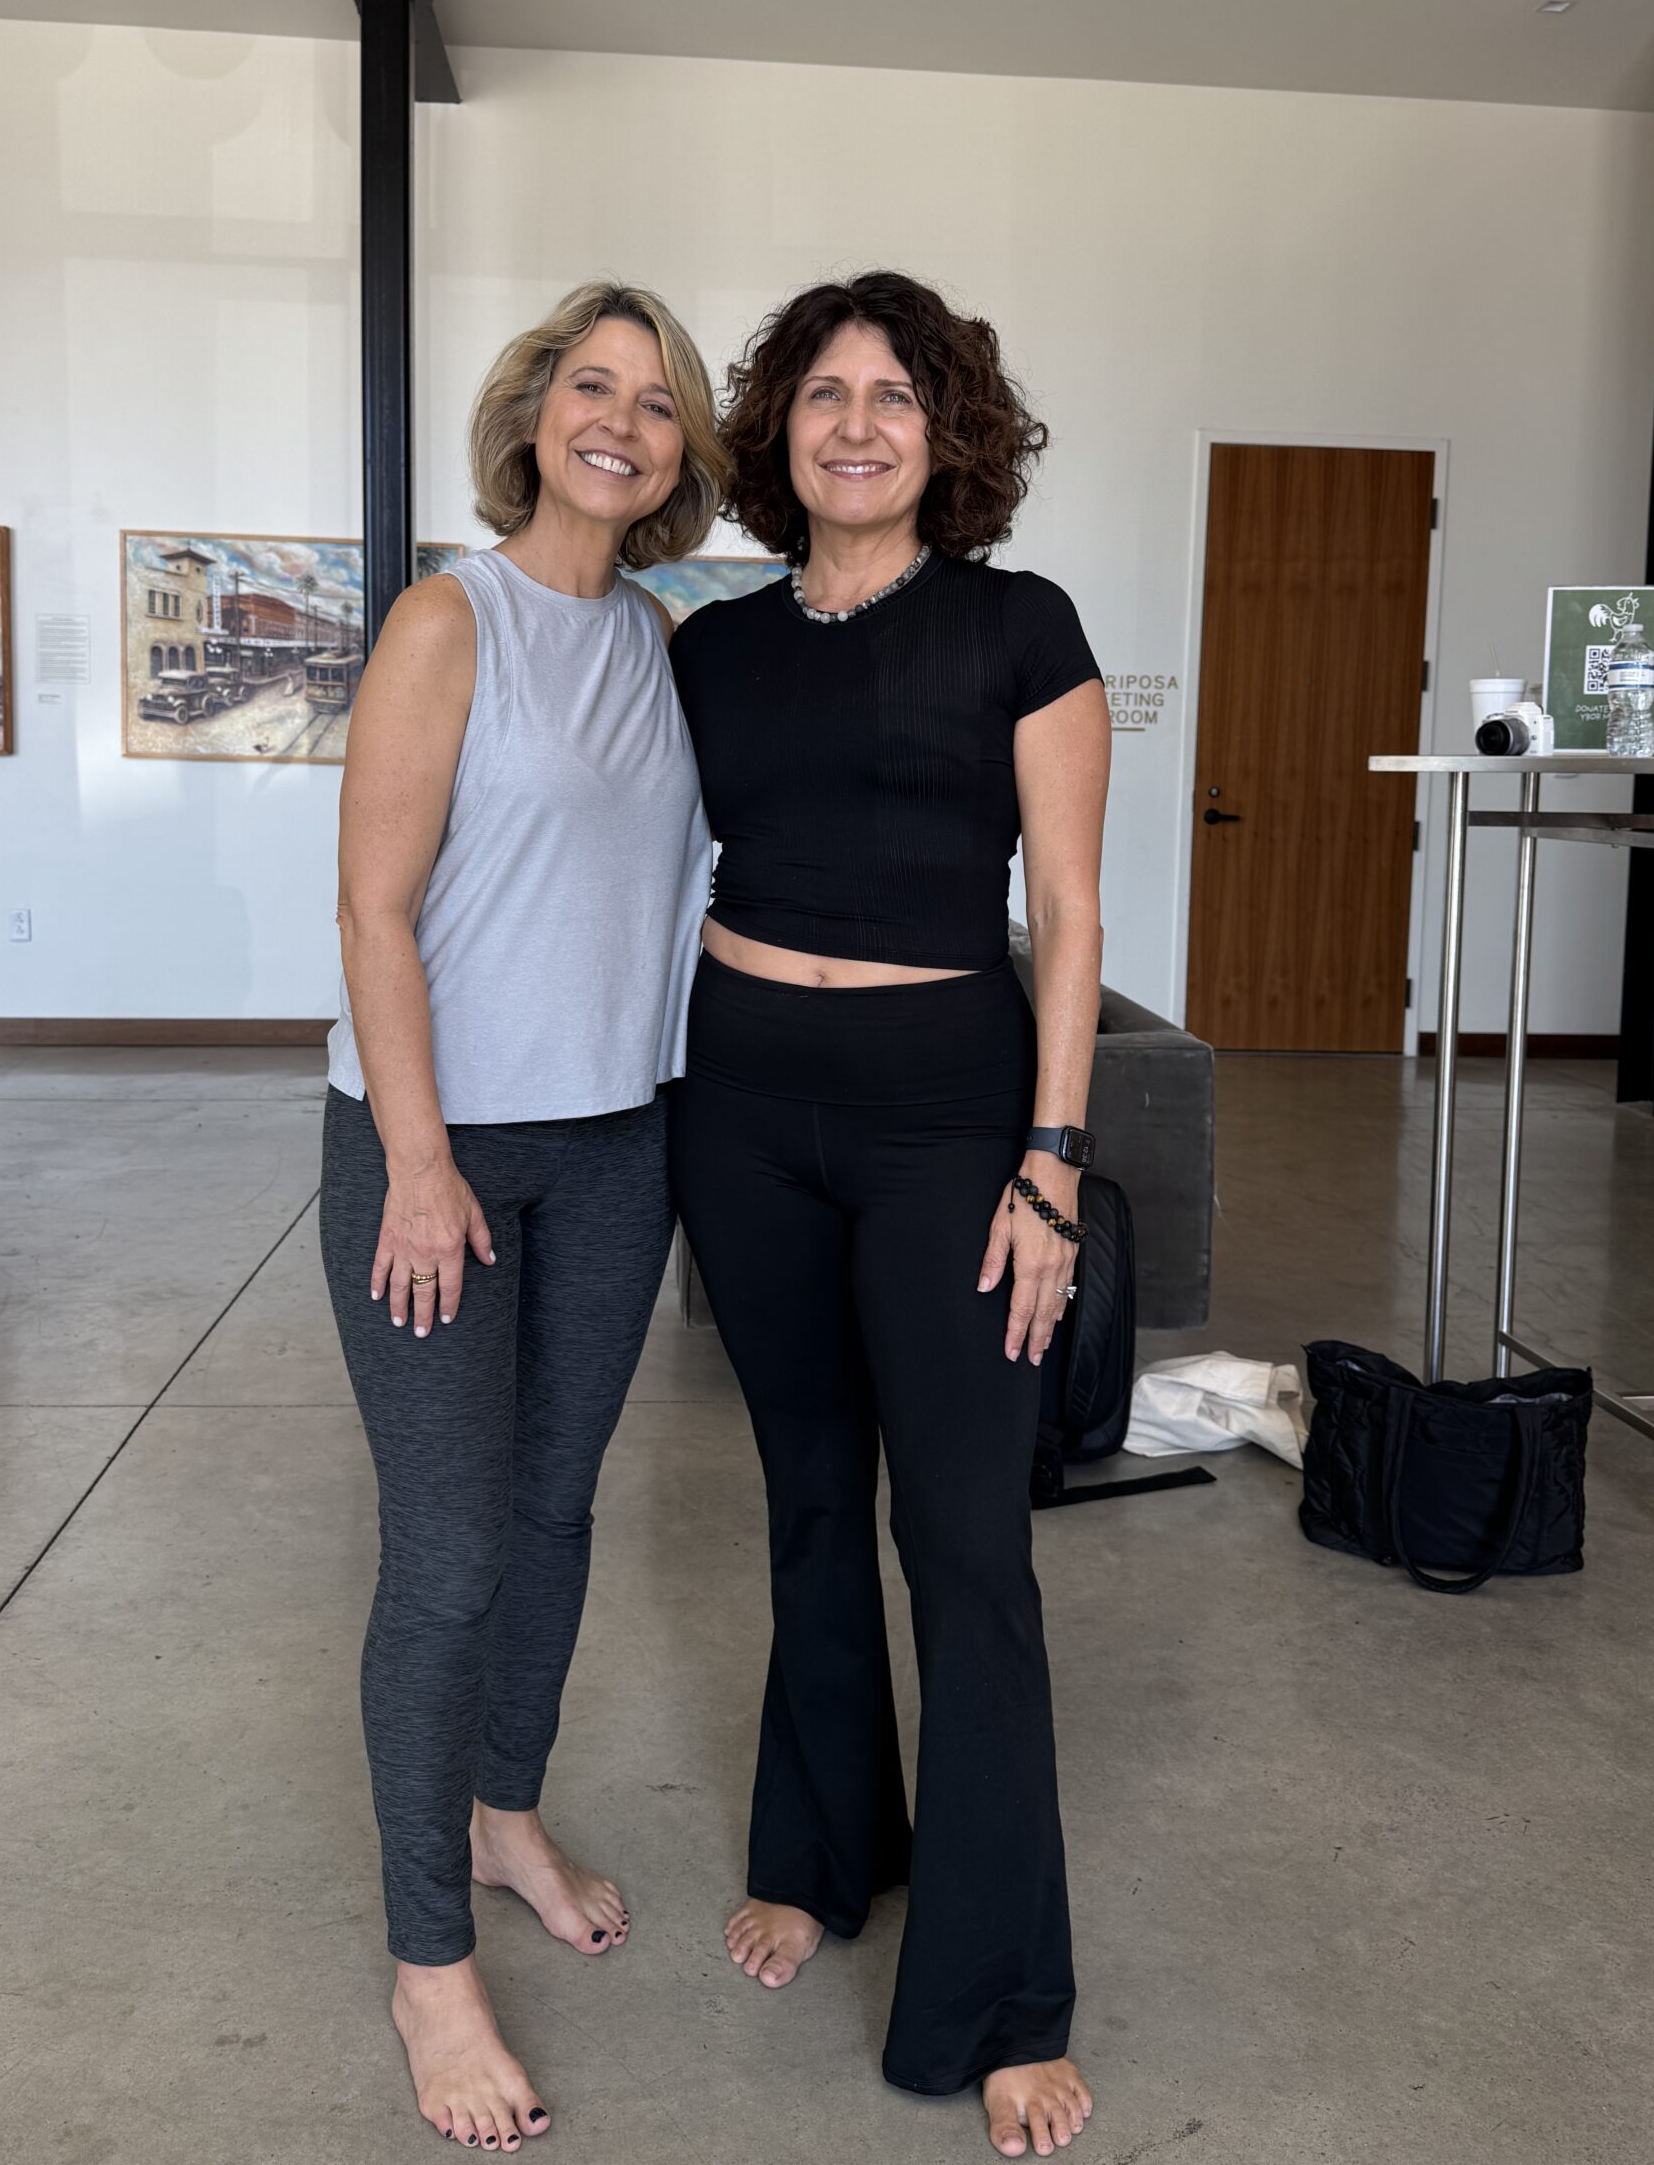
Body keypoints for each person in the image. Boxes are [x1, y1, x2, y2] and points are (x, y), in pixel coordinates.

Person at [669, 271, 1111, 2161]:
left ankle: (1007, 1992)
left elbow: (1076, 918)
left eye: (896, 398)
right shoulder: (712, 648)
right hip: (746, 1106)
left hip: (951, 1126)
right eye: (826, 394)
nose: (858, 424)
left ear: (950, 435)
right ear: (778, 429)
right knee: (800, 1503)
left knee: (967, 1550)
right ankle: (827, 1850)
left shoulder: (1023, 627)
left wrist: (1053, 1163)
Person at [321, 281, 726, 2152]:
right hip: (439, 1151)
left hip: (615, 1147)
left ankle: (503, 1813)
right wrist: (418, 1161)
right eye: (592, 384)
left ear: (679, 454)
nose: (621, 421)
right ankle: (429, 1970)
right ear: (536, 410)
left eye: (656, 402)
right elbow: (375, 912)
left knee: (555, 1517)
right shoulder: (443, 618)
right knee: (454, 1544)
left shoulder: (656, 635)